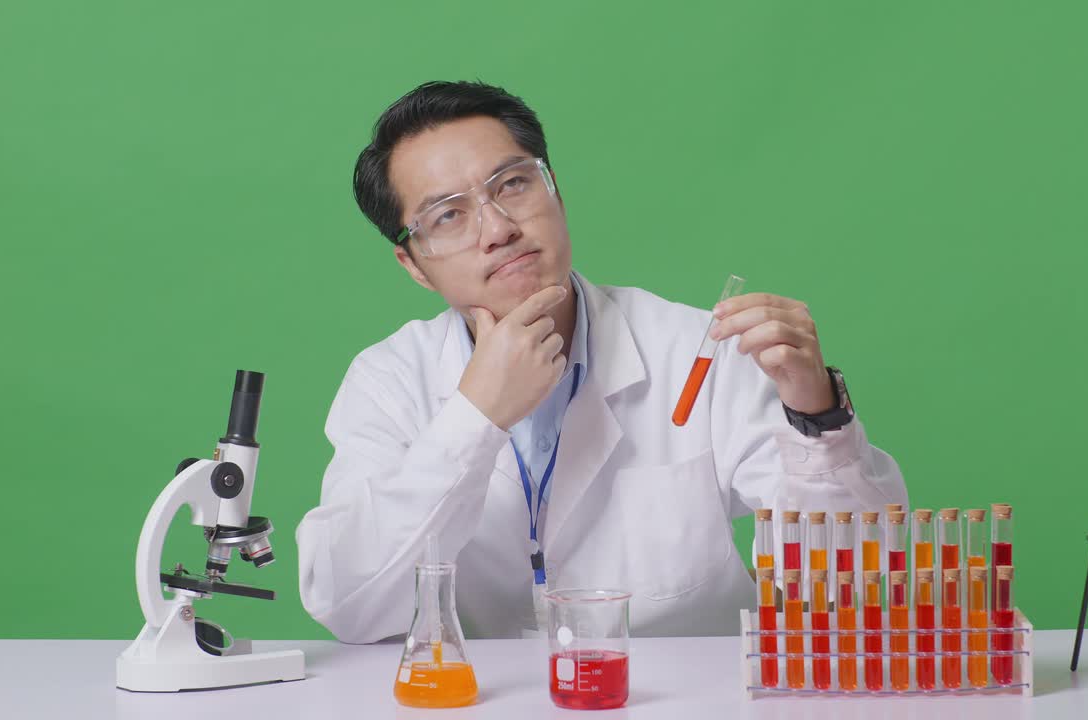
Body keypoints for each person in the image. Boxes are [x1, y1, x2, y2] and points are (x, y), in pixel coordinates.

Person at [296, 80, 906, 643]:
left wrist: (817, 417)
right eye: (448, 215)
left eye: (512, 184)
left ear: (554, 186)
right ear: (414, 264)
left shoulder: (695, 349)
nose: (498, 228)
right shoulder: (390, 381)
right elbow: (350, 604)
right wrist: (475, 417)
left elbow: (854, 582)